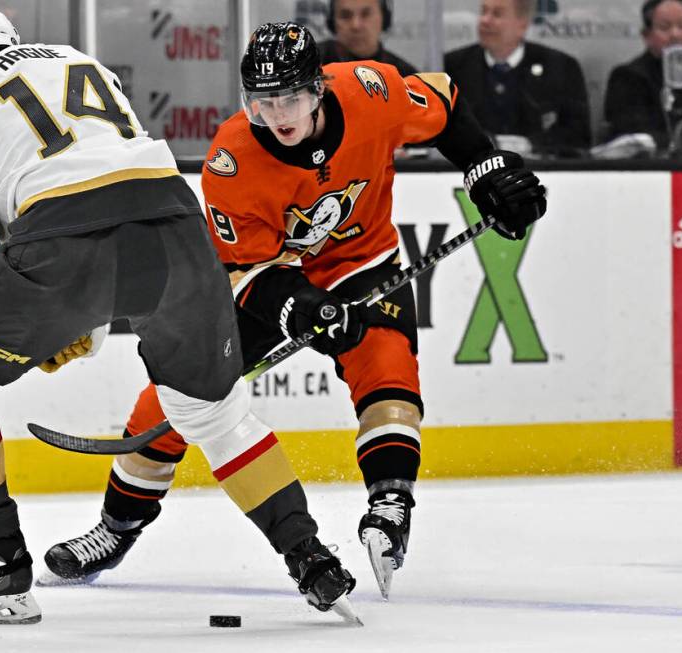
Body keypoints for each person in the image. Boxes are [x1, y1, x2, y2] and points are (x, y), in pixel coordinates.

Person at [41, 22, 546, 600]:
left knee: (387, 366)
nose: (278, 115)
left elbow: (446, 102)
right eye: (262, 102)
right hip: (267, 277)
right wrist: (300, 308)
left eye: (293, 99)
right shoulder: (232, 159)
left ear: (320, 91)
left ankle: (391, 503)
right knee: (176, 390)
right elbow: (247, 272)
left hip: (361, 262)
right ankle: (117, 527)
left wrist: (486, 168)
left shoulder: (372, 92)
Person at [0, 8, 357, 625]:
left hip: (66, 241)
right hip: (177, 228)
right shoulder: (77, 61)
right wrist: (75, 323)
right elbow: (111, 180)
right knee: (214, 413)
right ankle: (310, 557)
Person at [444, 0, 591, 157]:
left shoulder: (561, 67)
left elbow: (579, 135)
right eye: (483, 12)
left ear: (522, 25)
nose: (485, 20)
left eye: (497, 14)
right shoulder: (452, 67)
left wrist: (533, 145)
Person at [603, 0, 682, 152]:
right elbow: (635, 136)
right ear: (647, 36)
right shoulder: (627, 77)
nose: (675, 34)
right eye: (664, 28)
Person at [317, 0, 417, 74]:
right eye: (345, 16)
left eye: (366, 14)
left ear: (384, 19)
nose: (356, 25)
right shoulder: (309, 65)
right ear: (332, 23)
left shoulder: (406, 76)